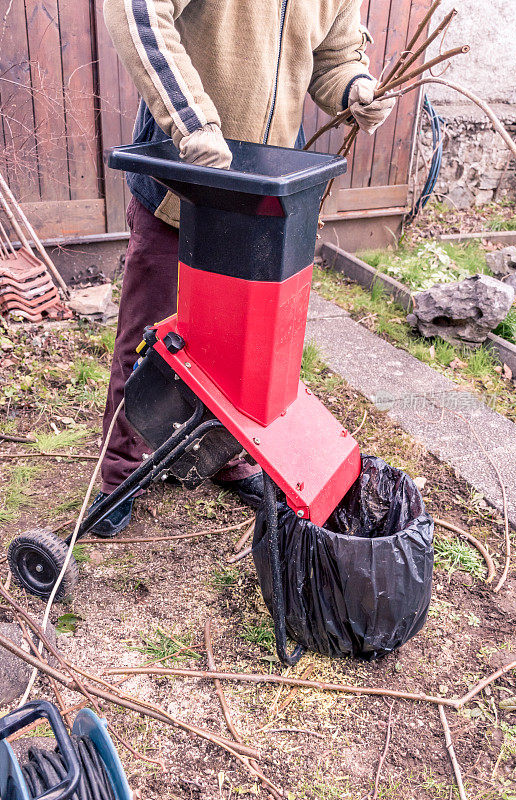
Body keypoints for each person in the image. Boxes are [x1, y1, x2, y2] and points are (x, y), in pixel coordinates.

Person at [91, 0, 395, 536]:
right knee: (149, 333)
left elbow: (335, 57)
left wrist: (355, 89)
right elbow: (137, 13)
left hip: (266, 197)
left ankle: (226, 454)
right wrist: (192, 123)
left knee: (246, 344)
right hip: (181, 176)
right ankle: (121, 471)